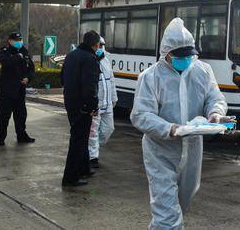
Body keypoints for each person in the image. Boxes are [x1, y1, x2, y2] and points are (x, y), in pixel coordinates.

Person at [130, 18, 228, 229]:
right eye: (180, 56)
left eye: (189, 55)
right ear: (167, 53)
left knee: (179, 205)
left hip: (192, 149)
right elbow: (140, 115)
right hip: (161, 151)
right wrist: (170, 128)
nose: (186, 59)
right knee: (166, 212)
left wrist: (215, 114)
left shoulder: (202, 71)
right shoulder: (150, 77)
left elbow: (215, 98)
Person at [61, 30, 101, 187]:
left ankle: (83, 168)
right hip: (82, 106)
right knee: (78, 140)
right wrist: (92, 106)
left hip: (70, 102)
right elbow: (90, 87)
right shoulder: (90, 59)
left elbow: (62, 77)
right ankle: (70, 177)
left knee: (81, 138)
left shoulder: (71, 55)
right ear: (95, 44)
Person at [0, 32, 36, 146]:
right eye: (16, 40)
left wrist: (28, 78)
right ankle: (0, 138)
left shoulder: (24, 52)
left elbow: (31, 69)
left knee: (21, 116)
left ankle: (22, 136)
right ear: (10, 41)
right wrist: (18, 57)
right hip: (6, 91)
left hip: (20, 91)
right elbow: (6, 63)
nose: (19, 42)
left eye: (20, 40)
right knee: (4, 116)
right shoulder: (5, 51)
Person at [88, 36, 118, 168]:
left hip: (107, 103)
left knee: (108, 129)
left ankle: (90, 147)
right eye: (98, 46)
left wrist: (114, 98)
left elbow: (111, 81)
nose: (100, 48)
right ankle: (92, 157)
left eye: (101, 46)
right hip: (96, 104)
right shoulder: (89, 60)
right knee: (93, 132)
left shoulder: (106, 61)